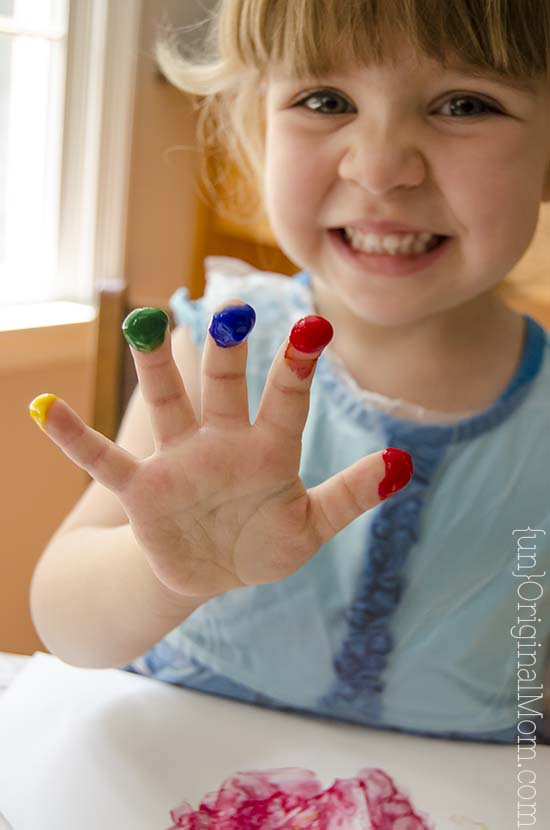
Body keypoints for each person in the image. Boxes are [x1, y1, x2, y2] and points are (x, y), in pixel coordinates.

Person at [29, 0, 550, 744]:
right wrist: (160, 570)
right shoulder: (216, 355)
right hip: (174, 770)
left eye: (465, 104)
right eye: (324, 100)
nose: (378, 167)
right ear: (257, 128)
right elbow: (64, 624)